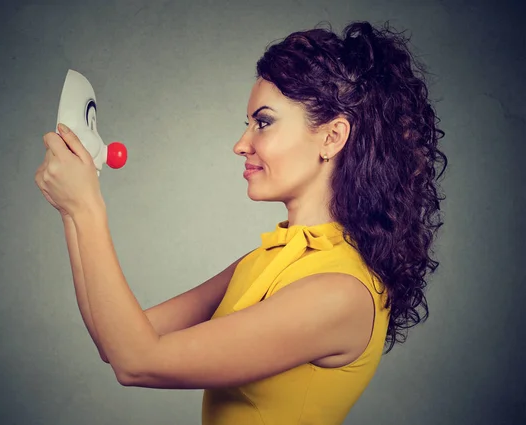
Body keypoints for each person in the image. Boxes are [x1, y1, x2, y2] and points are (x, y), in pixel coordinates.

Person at [35, 20, 447, 425]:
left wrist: (88, 208)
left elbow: (138, 363)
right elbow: (116, 341)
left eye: (263, 122)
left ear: (332, 137)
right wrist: (72, 211)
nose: (241, 144)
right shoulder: (271, 258)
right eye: (247, 123)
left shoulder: (341, 292)